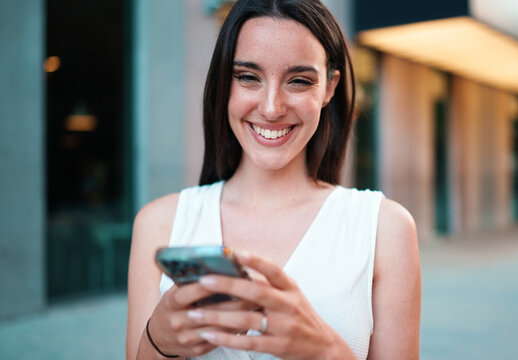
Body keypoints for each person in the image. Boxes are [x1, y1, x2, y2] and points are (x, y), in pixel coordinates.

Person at [126, 0, 421, 359]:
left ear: (329, 88)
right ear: (224, 82)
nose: (271, 107)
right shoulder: (160, 223)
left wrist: (324, 350)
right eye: (248, 77)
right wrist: (158, 340)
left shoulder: (383, 228)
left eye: (299, 81)